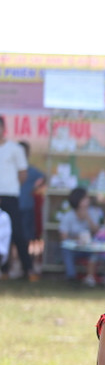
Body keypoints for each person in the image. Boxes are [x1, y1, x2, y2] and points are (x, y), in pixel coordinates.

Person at [0, 117, 36, 280]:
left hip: (9, 197)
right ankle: (4, 270)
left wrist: (9, 187)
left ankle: (28, 270)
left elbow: (23, 175)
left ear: (3, 128)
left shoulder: (15, 149)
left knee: (17, 233)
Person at [59, 187, 102, 283]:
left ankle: (90, 278)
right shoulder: (68, 216)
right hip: (74, 248)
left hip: (89, 248)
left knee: (95, 253)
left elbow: (98, 232)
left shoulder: (93, 213)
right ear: (78, 200)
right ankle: (71, 277)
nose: (88, 200)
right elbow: (63, 238)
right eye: (85, 198)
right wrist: (76, 239)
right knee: (66, 251)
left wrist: (87, 218)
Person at [18, 141, 45, 265]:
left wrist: (36, 189)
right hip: (13, 207)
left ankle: (29, 263)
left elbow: (44, 177)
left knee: (29, 236)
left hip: (27, 208)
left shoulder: (32, 171)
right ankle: (14, 263)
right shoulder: (9, 169)